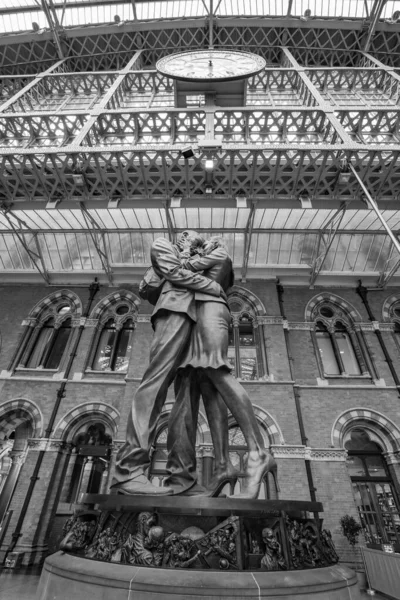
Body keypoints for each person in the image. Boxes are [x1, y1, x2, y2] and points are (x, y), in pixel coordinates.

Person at [111, 231, 227, 495]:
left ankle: (181, 478)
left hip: (198, 321)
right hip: (173, 312)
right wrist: (213, 287)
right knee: (156, 383)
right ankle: (129, 470)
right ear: (182, 237)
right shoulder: (162, 245)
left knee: (188, 399)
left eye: (199, 245)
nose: (196, 246)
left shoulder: (197, 259)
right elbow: (173, 273)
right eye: (193, 241)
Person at [165, 237, 277, 499]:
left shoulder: (219, 255)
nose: (191, 244)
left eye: (196, 242)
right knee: (207, 383)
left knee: (217, 370)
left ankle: (258, 452)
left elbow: (181, 269)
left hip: (211, 313)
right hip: (200, 314)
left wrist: (182, 254)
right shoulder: (211, 262)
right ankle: (223, 465)